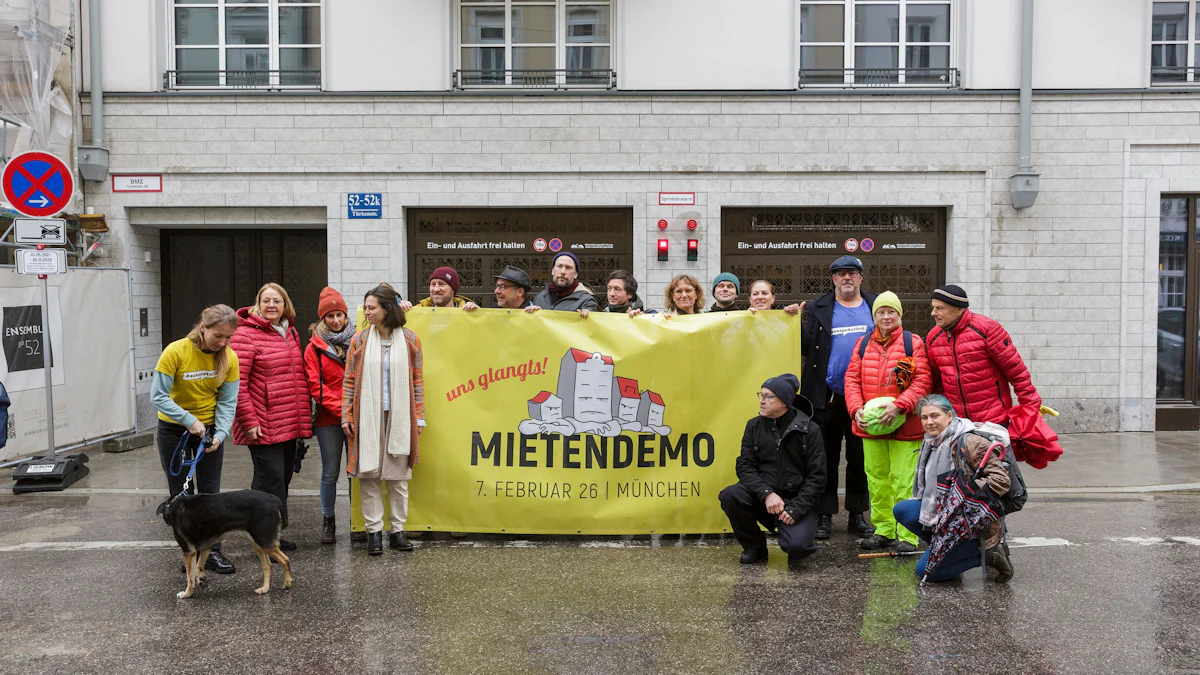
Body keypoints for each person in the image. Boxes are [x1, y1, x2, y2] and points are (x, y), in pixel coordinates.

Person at [152, 304, 240, 574]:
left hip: (209, 431)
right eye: (218, 337)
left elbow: (227, 402)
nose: (222, 343)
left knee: (211, 494)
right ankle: (189, 554)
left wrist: (221, 433)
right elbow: (158, 396)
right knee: (182, 497)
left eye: (228, 338)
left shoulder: (230, 358)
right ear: (203, 328)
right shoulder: (175, 351)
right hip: (175, 429)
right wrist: (189, 421)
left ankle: (212, 552)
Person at [843, 292, 932, 553]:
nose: (886, 316)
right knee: (877, 479)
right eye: (881, 312)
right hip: (872, 428)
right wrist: (856, 409)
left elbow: (923, 381)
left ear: (899, 315)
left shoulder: (912, 343)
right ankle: (883, 529)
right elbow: (851, 380)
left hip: (906, 426)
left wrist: (899, 406)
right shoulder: (862, 344)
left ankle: (908, 534)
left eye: (891, 311)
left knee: (904, 480)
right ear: (874, 316)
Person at [342, 284, 425, 556]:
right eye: (366, 307)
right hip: (368, 415)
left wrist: (419, 417)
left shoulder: (411, 339)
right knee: (369, 477)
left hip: (400, 416)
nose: (367, 312)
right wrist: (346, 414)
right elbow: (350, 381)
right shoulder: (360, 340)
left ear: (387, 308)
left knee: (398, 479)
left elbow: (417, 380)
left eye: (371, 307)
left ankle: (398, 531)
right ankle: (374, 534)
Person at [894, 394, 1014, 582]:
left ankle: (986, 555)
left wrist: (962, 495)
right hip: (946, 517)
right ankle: (946, 549)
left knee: (925, 572)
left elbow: (1001, 480)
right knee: (902, 510)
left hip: (972, 524)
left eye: (935, 416)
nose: (929, 422)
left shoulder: (969, 442)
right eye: (924, 418)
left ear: (950, 415)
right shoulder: (931, 443)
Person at [231, 283, 313, 552]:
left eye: (276, 301)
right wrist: (249, 421)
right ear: (257, 304)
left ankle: (273, 532)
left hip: (288, 420)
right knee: (269, 480)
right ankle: (262, 537)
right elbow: (237, 383)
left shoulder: (289, 331)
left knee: (283, 478)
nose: (271, 306)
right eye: (265, 301)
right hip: (262, 422)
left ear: (285, 304)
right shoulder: (245, 335)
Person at [801, 255, 878, 539]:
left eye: (852, 273)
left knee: (860, 458)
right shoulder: (817, 308)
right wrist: (788, 320)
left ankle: (857, 514)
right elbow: (804, 345)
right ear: (833, 279)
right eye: (840, 274)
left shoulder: (875, 305)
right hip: (827, 396)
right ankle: (824, 514)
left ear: (860, 278)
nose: (847, 278)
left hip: (865, 395)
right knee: (825, 457)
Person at [719, 374, 826, 565]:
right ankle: (755, 547)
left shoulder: (810, 431)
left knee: (797, 548)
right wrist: (766, 493)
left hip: (795, 501)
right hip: (764, 499)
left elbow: (817, 477)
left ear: (784, 402)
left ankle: (792, 533)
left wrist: (797, 509)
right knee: (730, 495)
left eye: (768, 396)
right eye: (761, 394)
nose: (761, 400)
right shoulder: (754, 426)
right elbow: (744, 466)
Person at [925, 285, 1042, 425]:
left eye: (940, 308)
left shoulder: (988, 330)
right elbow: (937, 383)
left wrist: (1030, 409)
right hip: (957, 423)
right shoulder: (933, 337)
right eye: (933, 307)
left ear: (958, 309)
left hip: (993, 421)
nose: (933, 313)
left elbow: (1016, 372)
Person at [305, 287, 355, 545]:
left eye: (340, 315)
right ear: (322, 319)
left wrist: (354, 413)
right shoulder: (314, 348)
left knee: (355, 471)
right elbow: (316, 386)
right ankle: (328, 521)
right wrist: (343, 412)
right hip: (329, 419)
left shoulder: (358, 340)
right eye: (330, 316)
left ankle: (356, 522)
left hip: (356, 418)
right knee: (330, 472)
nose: (336, 320)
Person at [528, 252, 598, 314]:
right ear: (553, 271)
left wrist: (588, 315)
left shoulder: (586, 301)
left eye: (568, 268)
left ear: (575, 274)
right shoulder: (540, 298)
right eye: (559, 266)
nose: (563, 271)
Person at [399, 266, 480, 312]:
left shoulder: (468, 313)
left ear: (453, 289)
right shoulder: (417, 311)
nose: (436, 289)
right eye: (433, 284)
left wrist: (479, 315)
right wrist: (399, 311)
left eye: (441, 284)